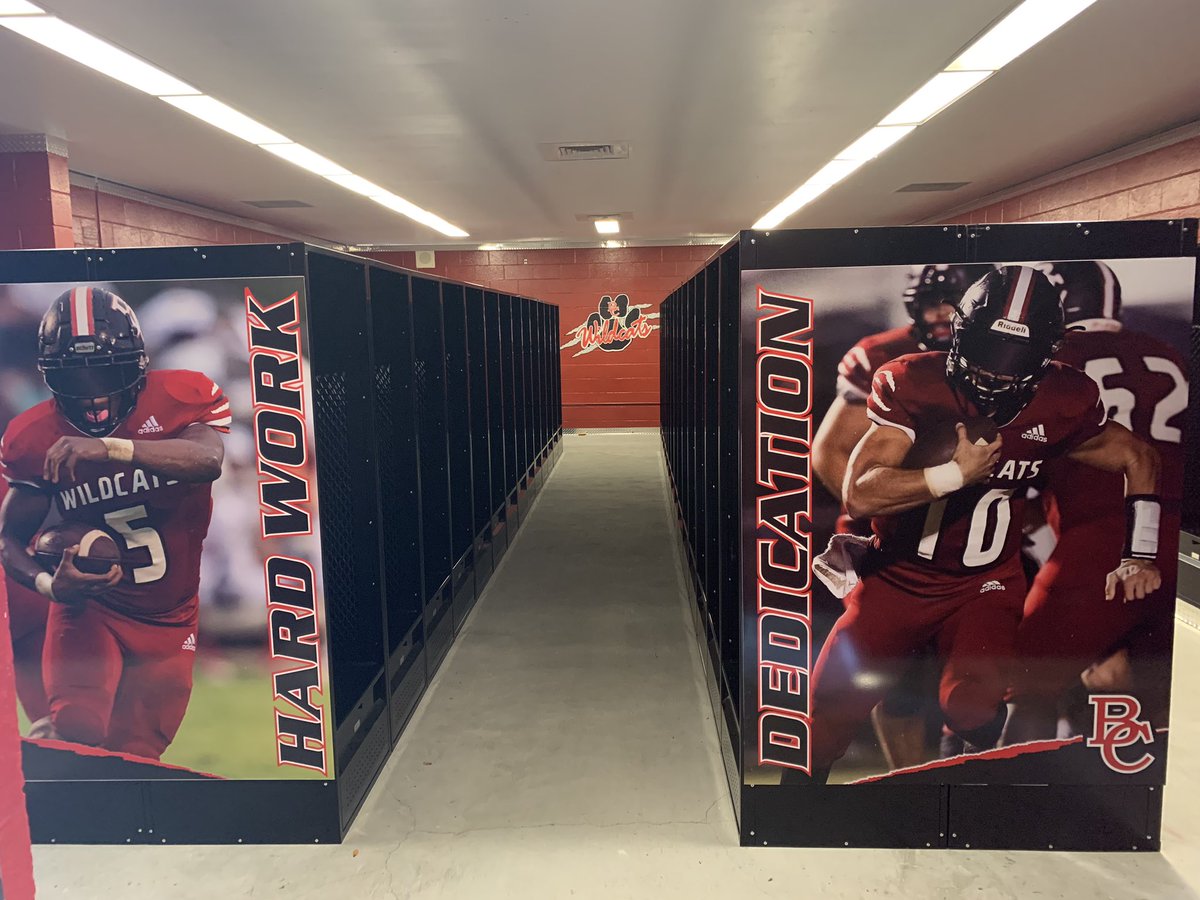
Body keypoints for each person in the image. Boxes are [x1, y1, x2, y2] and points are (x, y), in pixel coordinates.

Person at [790, 266, 1162, 784]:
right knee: (825, 715)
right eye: (986, 352)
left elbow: (1139, 456)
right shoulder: (911, 379)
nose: (995, 374)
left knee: (969, 706)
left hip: (985, 585)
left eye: (1015, 361)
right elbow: (859, 489)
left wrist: (1139, 553)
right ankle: (796, 812)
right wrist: (951, 475)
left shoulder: (1065, 396)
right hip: (898, 577)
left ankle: (971, 785)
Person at [0, 286, 228, 760]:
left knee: (137, 753)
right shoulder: (34, 436)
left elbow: (207, 459)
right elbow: (8, 539)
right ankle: (40, 775)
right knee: (78, 725)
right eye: (75, 376)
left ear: (139, 366)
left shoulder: (178, 396)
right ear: (50, 377)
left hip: (169, 617)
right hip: (92, 606)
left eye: (106, 370)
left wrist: (112, 448)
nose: (94, 392)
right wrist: (48, 585)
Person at [811, 263, 991, 769]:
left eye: (952, 301)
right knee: (897, 679)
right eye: (931, 301)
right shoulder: (882, 356)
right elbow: (828, 453)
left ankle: (973, 772)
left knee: (983, 674)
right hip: (898, 539)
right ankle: (908, 778)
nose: (940, 313)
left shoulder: (1008, 359)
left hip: (979, 531)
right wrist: (881, 510)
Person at [1002, 261, 1187, 744]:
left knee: (1024, 684)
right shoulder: (1170, 354)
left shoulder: (1053, 361)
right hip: (1179, 537)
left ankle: (1001, 810)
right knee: (1127, 684)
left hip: (1102, 541)